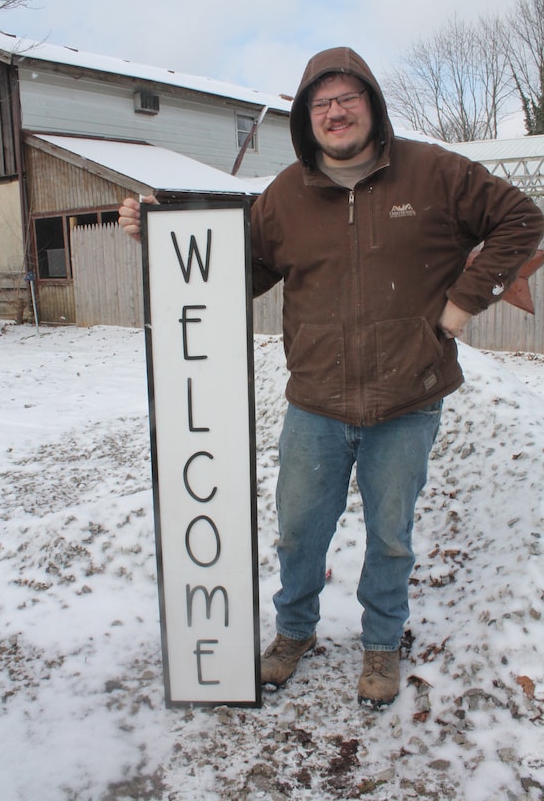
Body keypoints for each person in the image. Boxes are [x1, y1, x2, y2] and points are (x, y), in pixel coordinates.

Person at [119, 47, 543, 709]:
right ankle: (294, 631)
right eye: (322, 102)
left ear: (371, 105)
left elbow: (523, 218)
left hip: (407, 398)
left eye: (348, 98)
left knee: (391, 534)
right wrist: (164, 237)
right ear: (306, 117)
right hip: (315, 403)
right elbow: (238, 273)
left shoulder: (433, 173)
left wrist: (460, 307)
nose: (336, 111)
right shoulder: (284, 196)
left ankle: (380, 642)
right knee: (298, 530)